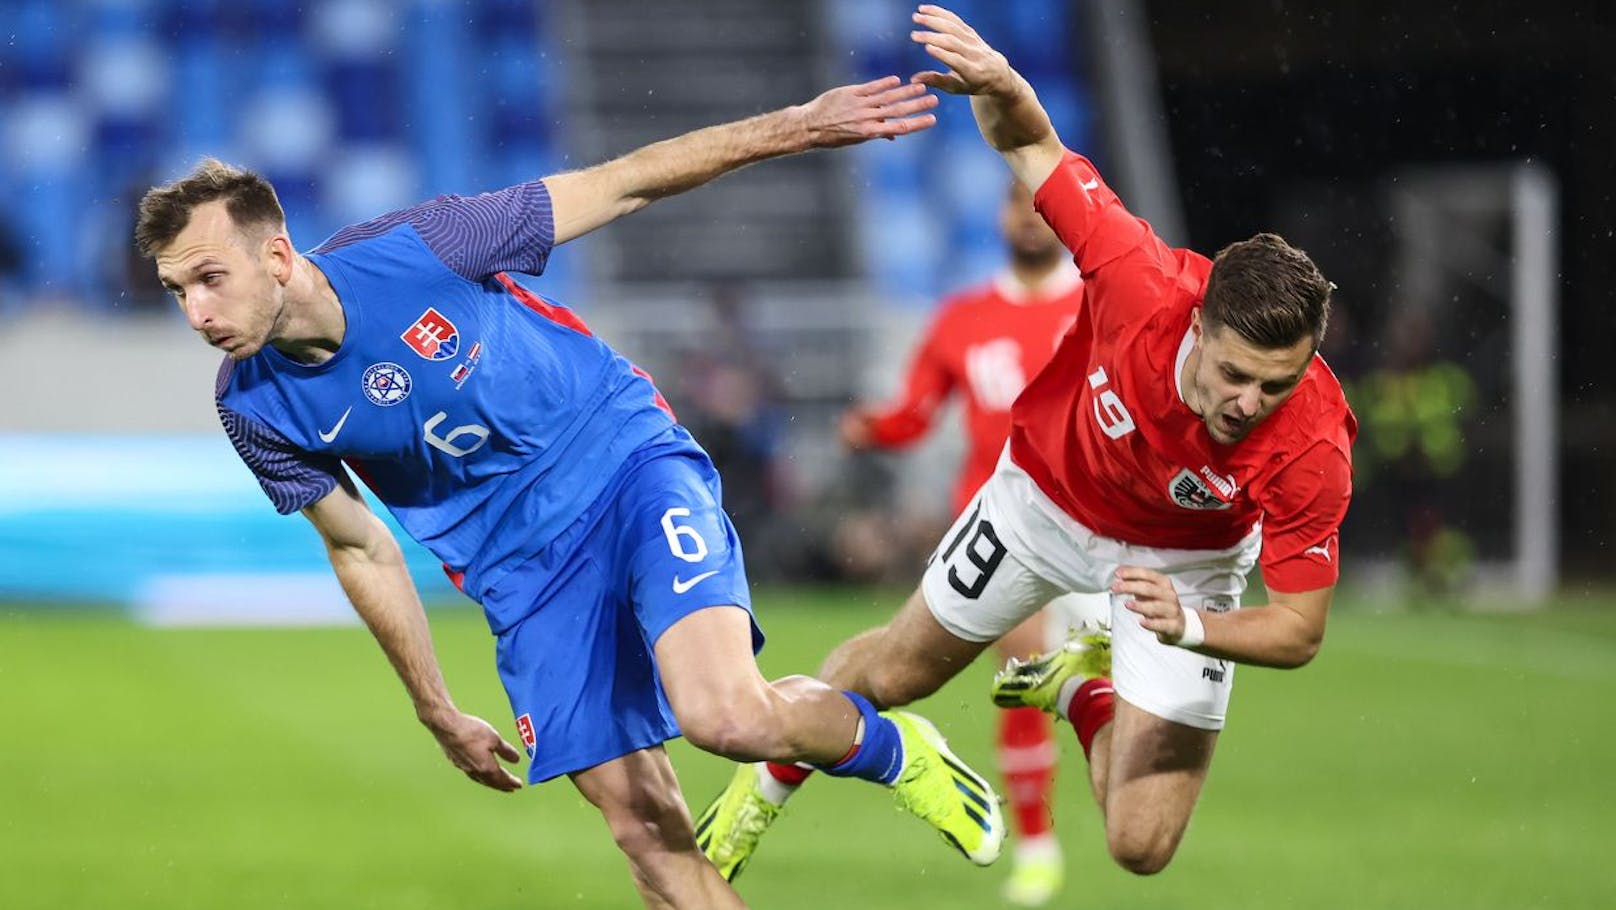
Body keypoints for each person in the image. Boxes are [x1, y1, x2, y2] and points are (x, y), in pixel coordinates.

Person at [134, 75, 1005, 910]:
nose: (196, 313)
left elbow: (625, 183)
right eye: (178, 291)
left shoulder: (425, 246)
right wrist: (434, 706)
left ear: (278, 257)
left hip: (624, 466)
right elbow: (360, 545)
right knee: (644, 829)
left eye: (210, 279)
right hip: (522, 578)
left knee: (728, 718)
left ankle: (891, 748)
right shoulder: (250, 408)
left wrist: (803, 126)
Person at [697, 3, 1355, 883]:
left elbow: (1300, 630)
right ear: (1197, 324)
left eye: (1278, 383)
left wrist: (1192, 623)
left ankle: (1076, 688)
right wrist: (1003, 84)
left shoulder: (1313, 439)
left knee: (1140, 845)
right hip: (1039, 500)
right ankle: (761, 789)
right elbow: (1031, 143)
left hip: (1186, 565)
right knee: (893, 672)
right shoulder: (1134, 277)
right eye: (1236, 374)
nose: (1251, 402)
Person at [839, 179, 1107, 905]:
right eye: (1016, 204)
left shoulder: (1097, 304)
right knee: (1022, 670)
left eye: (1038, 205)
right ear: (999, 216)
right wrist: (875, 427)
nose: (1027, 218)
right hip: (1003, 524)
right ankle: (1039, 848)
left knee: (1106, 691)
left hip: (1098, 520)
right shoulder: (962, 319)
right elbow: (917, 414)